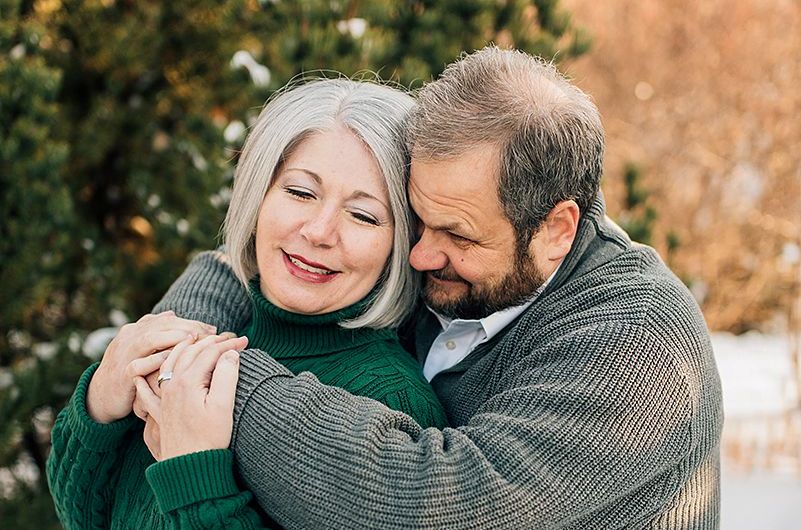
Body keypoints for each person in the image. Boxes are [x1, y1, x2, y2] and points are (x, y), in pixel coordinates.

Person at [147, 46, 724, 529]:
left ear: (556, 230)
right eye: (417, 220)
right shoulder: (469, 268)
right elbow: (263, 257)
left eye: (457, 235)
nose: (420, 255)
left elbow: (434, 500)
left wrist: (219, 373)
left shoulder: (640, 343)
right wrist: (182, 331)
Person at [46, 78, 447, 530]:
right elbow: (84, 515)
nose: (319, 231)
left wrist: (197, 479)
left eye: (363, 215)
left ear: (402, 243)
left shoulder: (390, 400)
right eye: (300, 192)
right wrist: (98, 404)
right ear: (258, 195)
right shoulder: (206, 337)